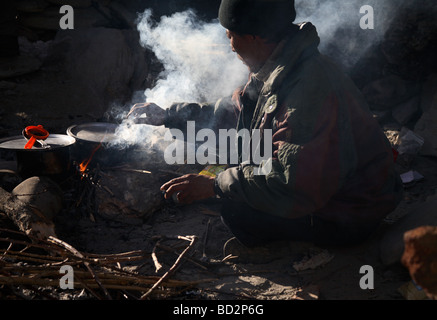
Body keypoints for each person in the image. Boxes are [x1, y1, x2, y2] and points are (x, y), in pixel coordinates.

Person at [128, 0, 403, 249]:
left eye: (230, 35)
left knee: (236, 212)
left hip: (350, 213)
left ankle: (295, 249)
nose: (229, 43)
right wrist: (170, 116)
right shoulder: (279, 66)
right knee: (230, 166)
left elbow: (295, 187)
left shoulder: (307, 92)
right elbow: (234, 112)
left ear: (254, 37)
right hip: (330, 191)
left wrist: (215, 185)